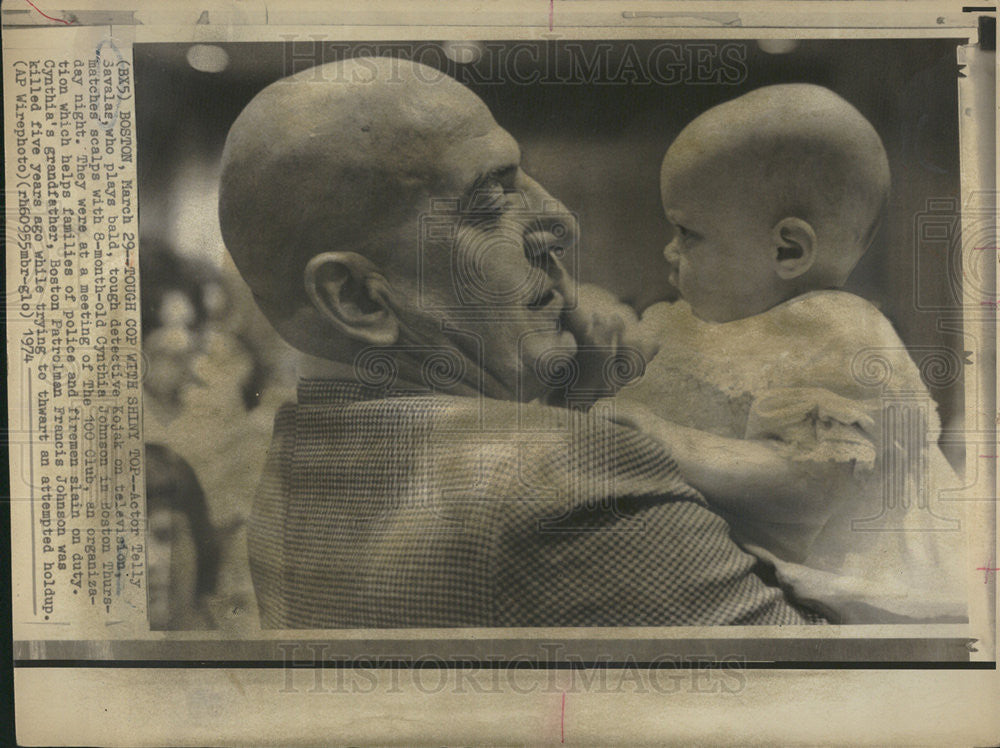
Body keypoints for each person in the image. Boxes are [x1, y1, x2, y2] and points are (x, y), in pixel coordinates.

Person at [218, 57, 823, 628]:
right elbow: (844, 703)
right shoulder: (575, 479)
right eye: (491, 198)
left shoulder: (290, 471)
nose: (560, 220)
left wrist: (576, 409)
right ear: (356, 298)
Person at [611, 84, 966, 623]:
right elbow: (638, 375)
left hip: (853, 597)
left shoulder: (837, 335)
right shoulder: (702, 322)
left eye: (688, 233)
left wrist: (662, 440)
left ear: (788, 250)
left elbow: (803, 485)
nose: (669, 249)